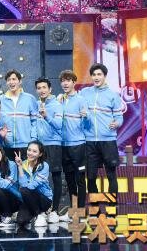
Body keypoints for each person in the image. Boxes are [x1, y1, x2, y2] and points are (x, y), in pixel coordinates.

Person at [80, 63, 126, 194]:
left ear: (104, 76)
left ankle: (112, 206)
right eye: (94, 75)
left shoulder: (113, 95)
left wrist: (117, 123)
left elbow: (119, 117)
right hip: (90, 141)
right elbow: (72, 98)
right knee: (91, 177)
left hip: (108, 141)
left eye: (99, 74)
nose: (96, 77)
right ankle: (95, 206)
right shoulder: (84, 93)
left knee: (111, 175)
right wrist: (61, 97)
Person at [0, 71, 38, 160]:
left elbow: (35, 122)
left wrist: (33, 139)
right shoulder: (0, 100)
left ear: (20, 81)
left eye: (14, 79)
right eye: (9, 80)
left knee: (24, 169)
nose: (11, 82)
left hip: (25, 144)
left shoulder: (30, 99)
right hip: (5, 145)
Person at [34, 77, 63, 223]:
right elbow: (34, 125)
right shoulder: (36, 104)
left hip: (54, 145)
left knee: (56, 177)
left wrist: (46, 116)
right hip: (40, 146)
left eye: (44, 87)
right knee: (39, 178)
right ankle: (42, 210)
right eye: (39, 88)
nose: (42, 90)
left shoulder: (57, 105)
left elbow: (58, 125)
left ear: (50, 89)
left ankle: (55, 211)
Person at [59, 70, 87, 211]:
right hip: (64, 145)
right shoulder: (59, 100)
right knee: (69, 179)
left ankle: (80, 210)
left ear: (74, 82)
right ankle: (73, 209)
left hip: (78, 145)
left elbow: (87, 124)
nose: (65, 83)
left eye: (68, 80)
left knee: (80, 179)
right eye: (63, 81)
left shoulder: (81, 100)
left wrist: (86, 117)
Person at [14, 141, 53, 228]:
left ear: (40, 154)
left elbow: (32, 186)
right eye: (29, 150)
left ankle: (40, 215)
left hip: (44, 199)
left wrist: (25, 185)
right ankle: (37, 213)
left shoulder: (44, 166)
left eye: (34, 151)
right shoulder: (23, 163)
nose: (30, 153)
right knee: (20, 221)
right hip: (29, 198)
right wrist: (20, 166)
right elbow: (23, 185)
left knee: (24, 190)